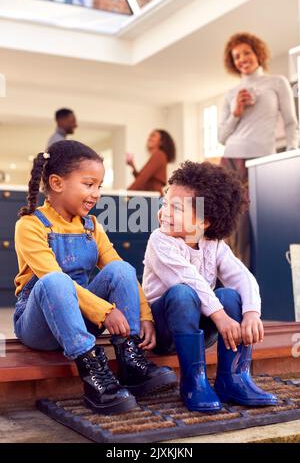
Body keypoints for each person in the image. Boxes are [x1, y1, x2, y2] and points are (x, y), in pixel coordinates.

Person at [14, 140, 177, 415]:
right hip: (40, 325)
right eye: (89, 184)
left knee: (121, 269)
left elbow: (118, 268)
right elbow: (52, 278)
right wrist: (105, 312)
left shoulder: (91, 226)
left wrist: (145, 314)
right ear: (56, 183)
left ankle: (130, 361)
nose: (96, 194)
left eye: (99, 186)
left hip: (82, 318)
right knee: (56, 280)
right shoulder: (30, 225)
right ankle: (94, 376)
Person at [142, 160, 278, 412]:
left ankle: (234, 378)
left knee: (230, 295)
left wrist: (251, 314)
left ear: (205, 222)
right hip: (164, 332)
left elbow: (242, 276)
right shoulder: (160, 241)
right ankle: (194, 382)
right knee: (183, 293)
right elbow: (188, 279)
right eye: (164, 205)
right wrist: (221, 317)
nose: (165, 213)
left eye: (177, 208)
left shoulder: (213, 244)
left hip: (200, 330)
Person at [218, 32, 298, 267]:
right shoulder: (231, 94)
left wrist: (291, 156)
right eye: (236, 56)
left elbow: (292, 122)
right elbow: (222, 137)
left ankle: (252, 278)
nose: (242, 59)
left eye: (246, 53)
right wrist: (236, 112)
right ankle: (231, 278)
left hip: (262, 161)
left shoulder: (277, 82)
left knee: (259, 221)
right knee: (230, 221)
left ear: (257, 53)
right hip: (231, 159)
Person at [126, 129, 176, 195]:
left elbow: (142, 178)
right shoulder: (158, 155)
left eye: (153, 136)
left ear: (161, 142)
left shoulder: (159, 155)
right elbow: (144, 180)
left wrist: (126, 193)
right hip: (152, 197)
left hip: (153, 199)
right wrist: (133, 166)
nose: (149, 138)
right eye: (149, 136)